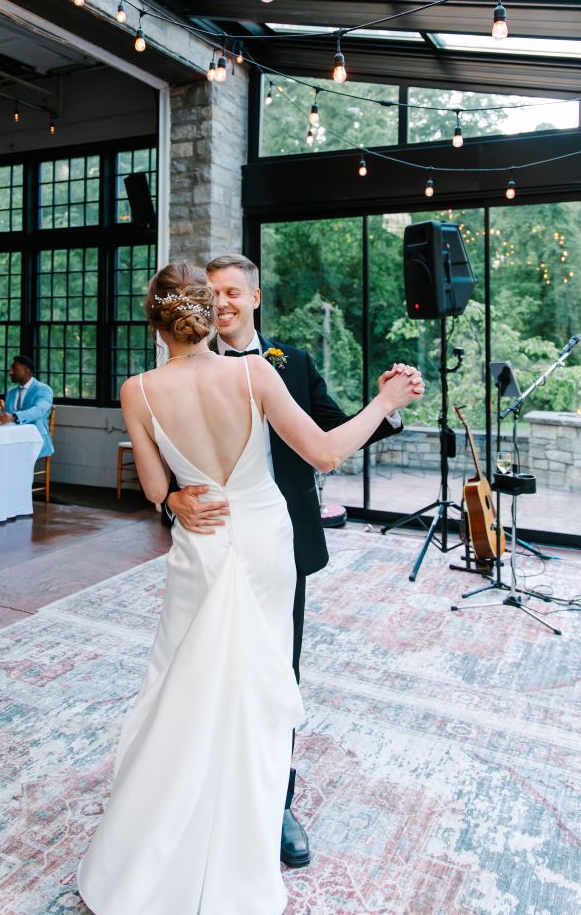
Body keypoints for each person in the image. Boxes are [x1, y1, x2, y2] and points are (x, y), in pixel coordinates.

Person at [77, 263, 421, 915]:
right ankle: (243, 840)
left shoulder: (137, 390)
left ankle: (158, 850)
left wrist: (180, 495)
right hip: (263, 540)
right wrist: (384, 403)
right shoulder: (251, 374)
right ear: (209, 313)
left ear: (155, 321)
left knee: (183, 685)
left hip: (201, 547)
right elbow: (323, 452)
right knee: (255, 687)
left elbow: (153, 489)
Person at [164, 252, 424, 869]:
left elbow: (330, 431)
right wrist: (172, 501)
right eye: (212, 293)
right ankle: (201, 796)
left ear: (255, 299)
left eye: (232, 292)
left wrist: (389, 403)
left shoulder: (293, 363)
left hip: (279, 546)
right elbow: (167, 464)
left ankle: (275, 803)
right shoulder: (174, 372)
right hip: (211, 547)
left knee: (277, 674)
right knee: (203, 672)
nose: (222, 302)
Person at [0, 355, 53, 457]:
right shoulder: (11, 392)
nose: (10, 372)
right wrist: (2, 418)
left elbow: (38, 410)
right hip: (12, 440)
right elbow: (7, 419)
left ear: (27, 370)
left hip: (35, 440)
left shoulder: (43, 389)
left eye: (14, 369)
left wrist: (13, 416)